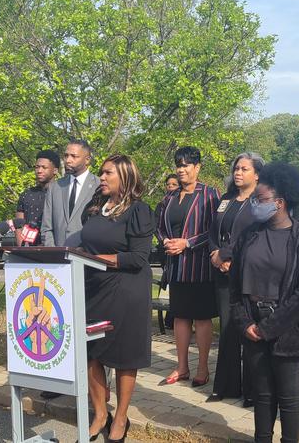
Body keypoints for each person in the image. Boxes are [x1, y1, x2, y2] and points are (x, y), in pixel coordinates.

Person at [229, 162, 299, 443]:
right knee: (262, 396)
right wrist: (246, 322)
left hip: (289, 331)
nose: (255, 204)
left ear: (280, 202)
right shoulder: (249, 235)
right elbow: (235, 285)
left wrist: (270, 326)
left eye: (261, 199)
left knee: (288, 398)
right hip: (252, 325)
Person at [80, 154, 155, 443]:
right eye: (101, 172)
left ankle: (121, 417)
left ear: (125, 176)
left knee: (124, 357)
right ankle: (100, 413)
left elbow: (137, 258)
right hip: (94, 288)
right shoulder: (96, 207)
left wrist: (94, 258)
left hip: (126, 290)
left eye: (107, 173)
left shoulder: (139, 211)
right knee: (91, 352)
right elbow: (85, 241)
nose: (101, 177)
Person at [157, 146, 220, 387]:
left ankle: (202, 367)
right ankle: (182, 366)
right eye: (178, 165)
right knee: (181, 316)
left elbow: (215, 229)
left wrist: (188, 243)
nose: (181, 170)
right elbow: (160, 226)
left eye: (186, 165)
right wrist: (165, 241)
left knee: (202, 318)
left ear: (197, 167)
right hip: (176, 267)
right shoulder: (170, 197)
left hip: (200, 266)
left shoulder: (210, 195)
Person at [207, 152, 264, 406]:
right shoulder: (226, 199)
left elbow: (253, 236)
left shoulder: (261, 202)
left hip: (247, 272)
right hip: (222, 272)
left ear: (257, 174)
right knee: (227, 329)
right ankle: (226, 386)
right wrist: (215, 254)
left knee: (247, 329)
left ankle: (253, 390)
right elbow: (212, 230)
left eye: (244, 169)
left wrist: (227, 255)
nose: (238, 173)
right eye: (236, 168)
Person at [41, 139, 99, 247]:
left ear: (87, 160)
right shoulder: (55, 187)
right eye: (66, 156)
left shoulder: (99, 186)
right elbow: (47, 227)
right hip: (57, 258)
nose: (68, 160)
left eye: (74, 156)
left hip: (87, 258)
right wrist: (53, 253)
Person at [15, 149, 60, 246]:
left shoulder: (62, 194)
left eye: (44, 167)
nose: (39, 171)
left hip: (53, 249)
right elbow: (19, 225)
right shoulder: (27, 194)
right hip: (28, 250)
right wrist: (22, 250)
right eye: (37, 167)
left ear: (55, 170)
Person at [155, 174, 180, 331]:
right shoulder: (162, 205)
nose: (171, 186)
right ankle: (170, 319)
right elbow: (156, 226)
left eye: (174, 184)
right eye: (168, 184)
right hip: (166, 250)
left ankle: (174, 318)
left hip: (183, 249)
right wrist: (165, 241)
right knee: (171, 285)